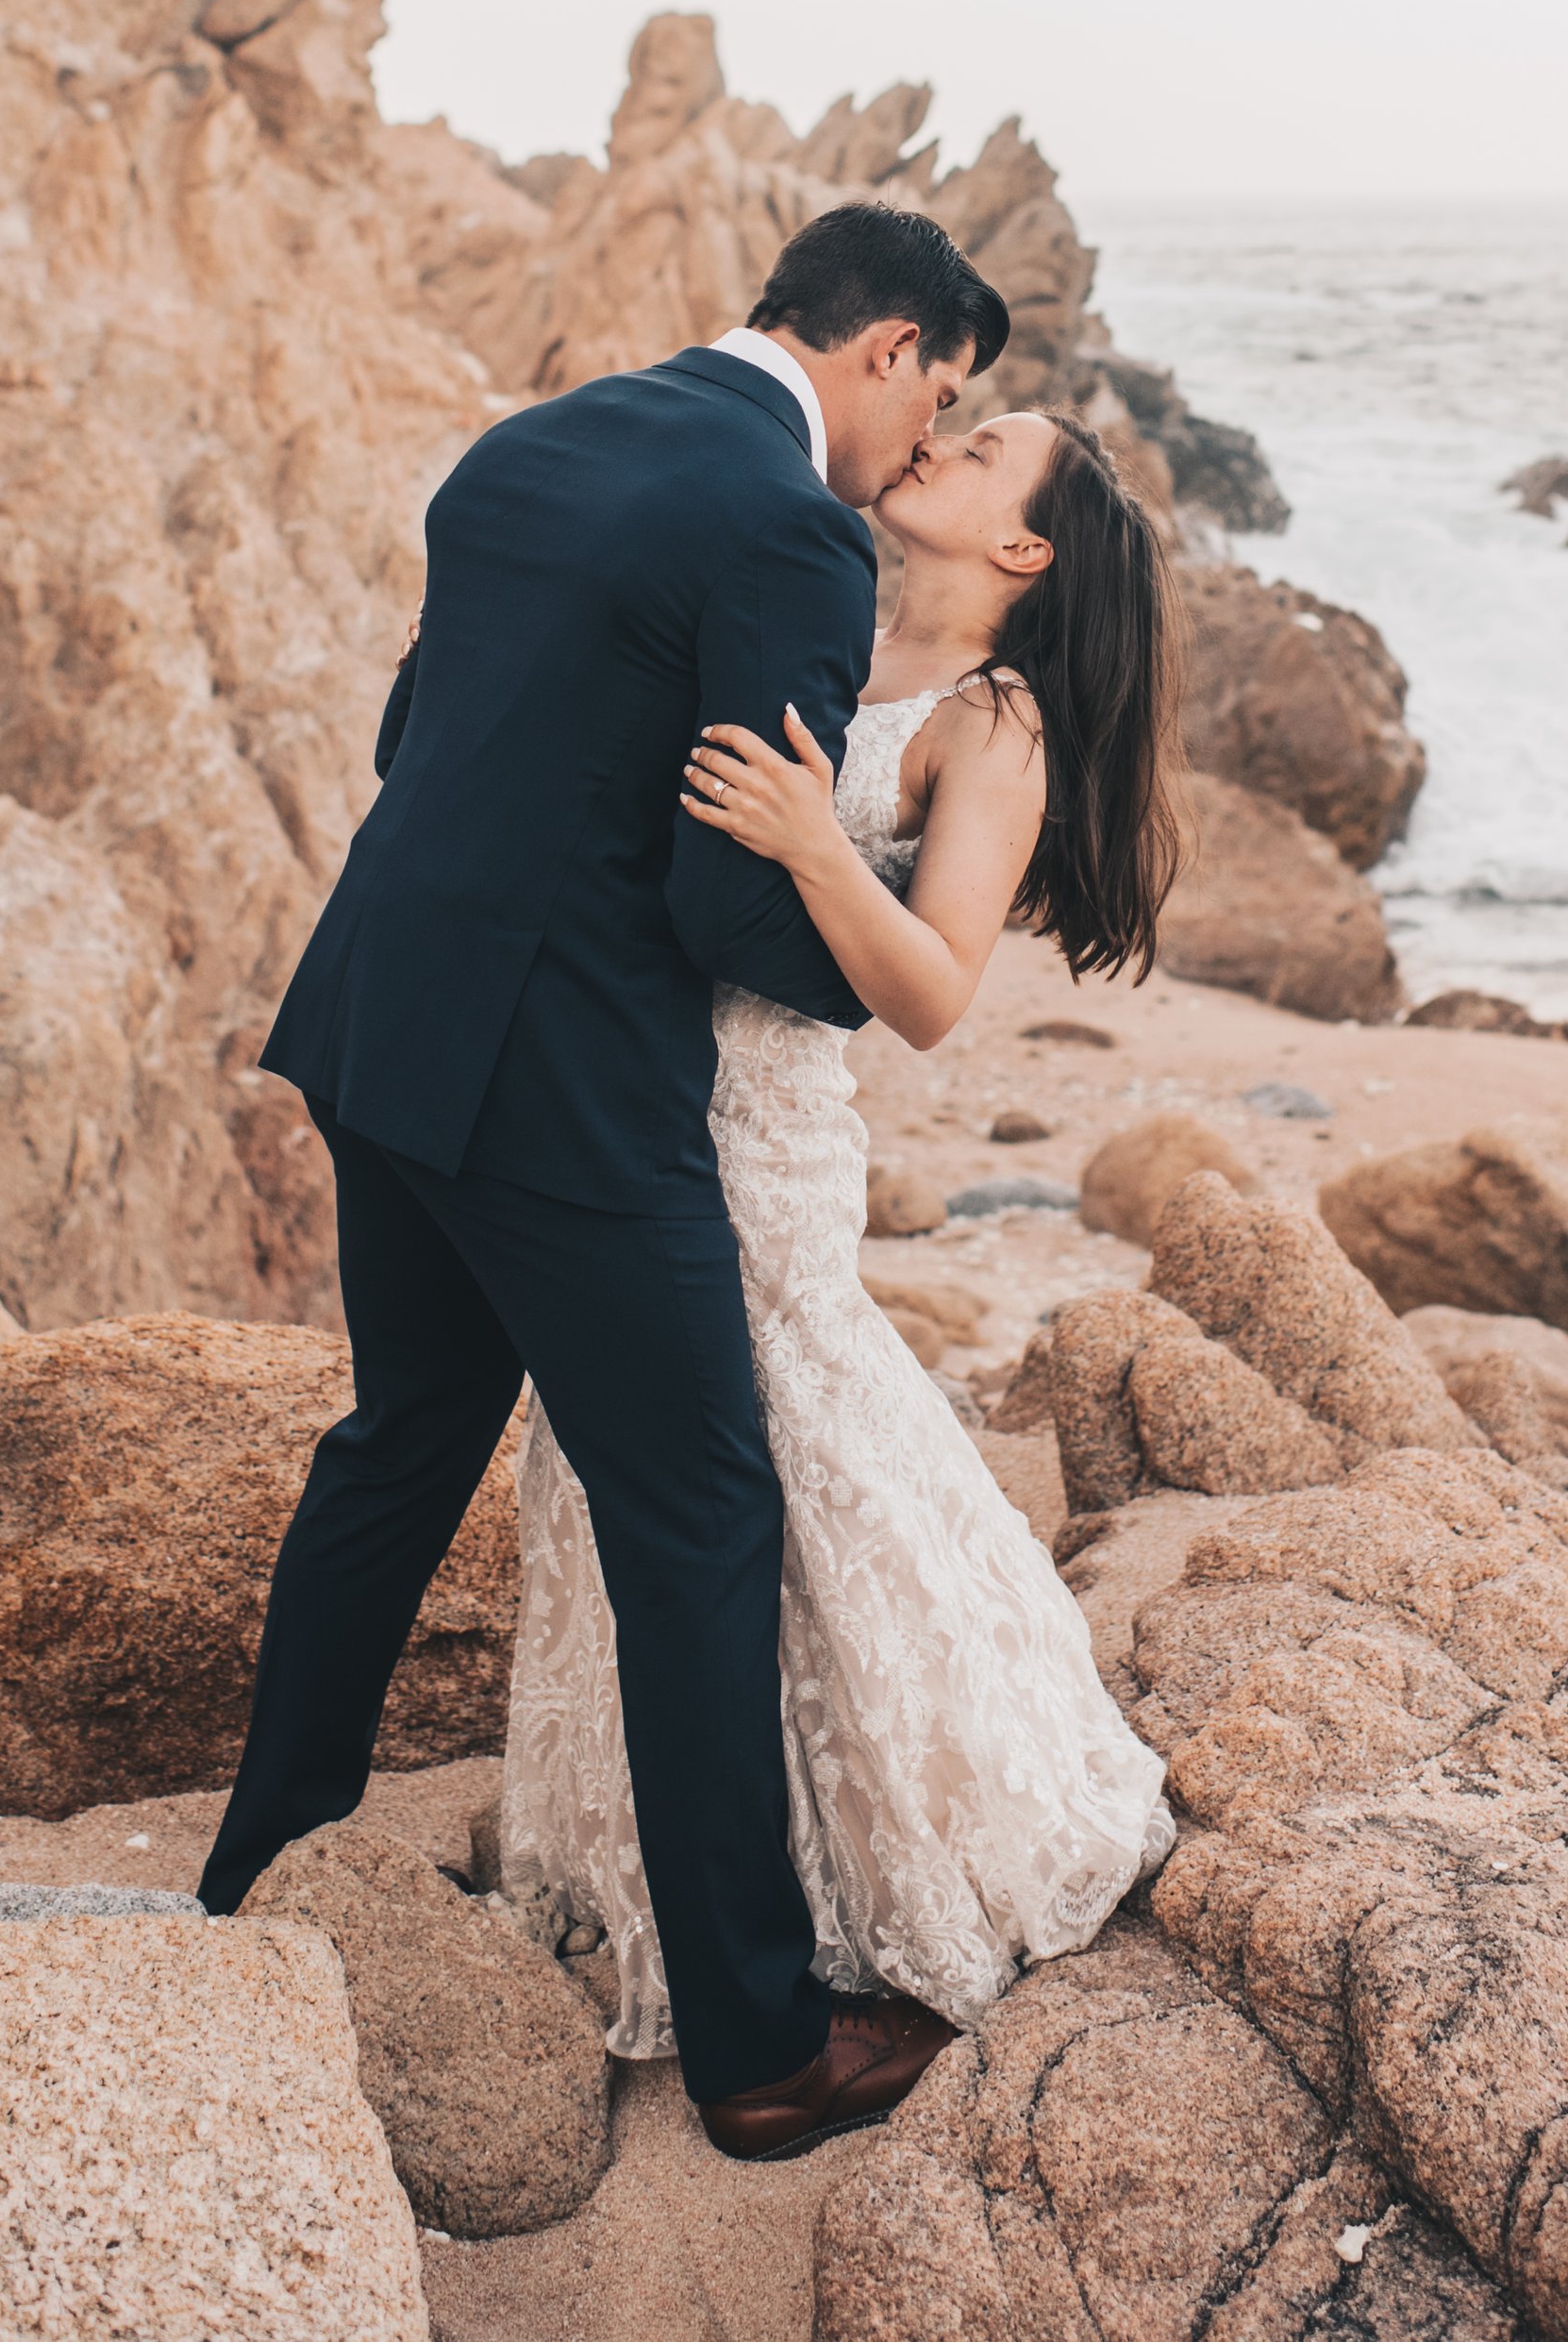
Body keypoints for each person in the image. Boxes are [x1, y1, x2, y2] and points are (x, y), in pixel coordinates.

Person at [200, 202, 1010, 2163]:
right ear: (885, 346)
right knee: (699, 1518)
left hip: (381, 1015)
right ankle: (754, 2047)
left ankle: (254, 1878)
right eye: (941, 402)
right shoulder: (783, 528)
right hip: (556, 1087)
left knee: (397, 1445)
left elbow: (422, 731)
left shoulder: (529, 441)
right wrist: (844, 987)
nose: (921, 454)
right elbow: (726, 886)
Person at [502, 398, 1181, 2073]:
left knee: (785, 1450)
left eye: (983, 448)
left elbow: (937, 991)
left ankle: (868, 1855)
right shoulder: (830, 624)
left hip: (772, 1123)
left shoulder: (991, 718)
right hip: (649, 1085)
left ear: (1023, 548)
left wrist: (813, 838)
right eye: (946, 422)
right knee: (652, 1460)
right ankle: (689, 1855)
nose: (939, 440)